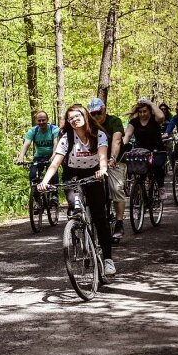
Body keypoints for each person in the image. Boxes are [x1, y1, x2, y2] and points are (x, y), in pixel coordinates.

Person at [37, 105, 116, 276]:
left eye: (77, 116)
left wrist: (102, 170)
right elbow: (55, 163)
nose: (74, 119)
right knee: (75, 204)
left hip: (94, 173)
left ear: (85, 116)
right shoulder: (67, 138)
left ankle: (108, 260)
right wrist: (44, 182)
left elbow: (103, 157)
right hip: (72, 174)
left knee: (99, 217)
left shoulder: (99, 135)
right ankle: (78, 229)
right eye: (70, 118)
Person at [88, 98, 126, 241]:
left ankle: (119, 222)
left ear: (104, 110)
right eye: (93, 114)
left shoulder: (114, 121)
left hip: (114, 161)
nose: (96, 117)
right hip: (95, 161)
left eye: (98, 113)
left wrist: (113, 158)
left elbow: (116, 140)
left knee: (116, 189)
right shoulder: (90, 125)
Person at [122, 97, 167, 199]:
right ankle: (140, 192)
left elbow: (161, 116)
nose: (143, 114)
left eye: (145, 111)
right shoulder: (134, 122)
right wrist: (122, 146)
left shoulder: (154, 120)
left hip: (157, 151)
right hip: (141, 152)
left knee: (156, 166)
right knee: (136, 170)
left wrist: (149, 103)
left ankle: (160, 187)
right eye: (140, 112)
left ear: (150, 111)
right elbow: (128, 135)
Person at [17, 111, 60, 203]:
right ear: (36, 121)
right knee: (33, 175)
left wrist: (54, 155)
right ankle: (37, 201)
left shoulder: (54, 129)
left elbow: (56, 143)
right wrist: (21, 157)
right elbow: (27, 144)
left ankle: (55, 195)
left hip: (51, 155)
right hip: (39, 157)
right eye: (39, 120)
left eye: (43, 120)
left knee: (52, 170)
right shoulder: (33, 131)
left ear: (47, 120)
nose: (41, 122)